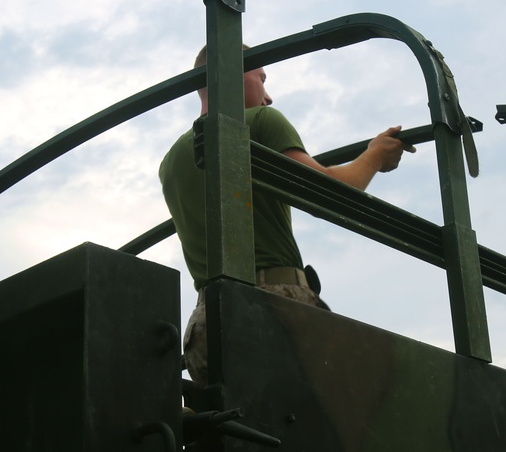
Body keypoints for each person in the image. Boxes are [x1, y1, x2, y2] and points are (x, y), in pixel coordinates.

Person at [159, 46, 415, 385]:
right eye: (262, 79)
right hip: (274, 305)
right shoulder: (262, 122)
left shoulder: (171, 160)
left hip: (205, 326)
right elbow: (332, 193)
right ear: (234, 72)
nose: (268, 97)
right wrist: (375, 157)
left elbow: (315, 175)